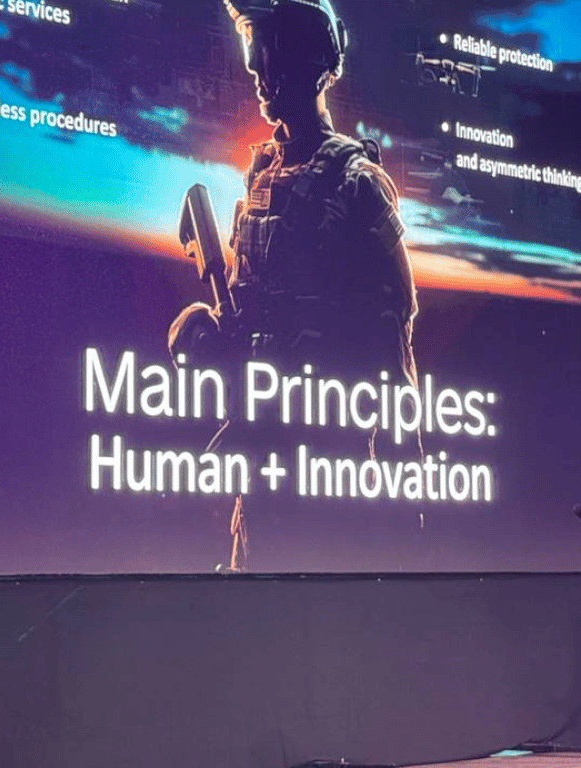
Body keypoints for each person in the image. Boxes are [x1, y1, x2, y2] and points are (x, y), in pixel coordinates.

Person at [168, 0, 418, 570]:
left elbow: (395, 343)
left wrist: (406, 483)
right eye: (253, 54)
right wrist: (208, 334)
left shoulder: (356, 182)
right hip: (262, 460)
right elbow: (244, 304)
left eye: (271, 55)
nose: (257, 70)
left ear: (313, 63)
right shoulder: (262, 176)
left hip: (329, 470)